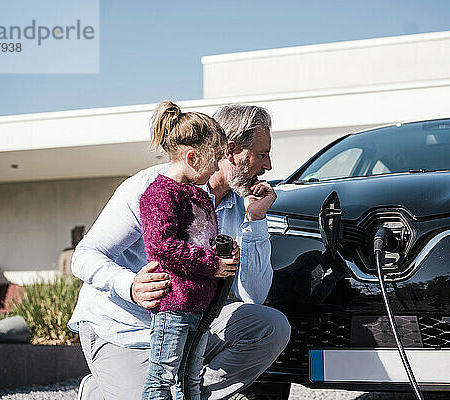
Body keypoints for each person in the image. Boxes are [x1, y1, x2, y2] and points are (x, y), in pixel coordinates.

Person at [69, 104, 291, 400]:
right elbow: (84, 255)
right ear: (231, 150)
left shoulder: (241, 206)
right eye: (262, 154)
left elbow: (252, 296)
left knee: (269, 326)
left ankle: (185, 390)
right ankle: (99, 390)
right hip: (123, 328)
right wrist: (130, 286)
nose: (268, 166)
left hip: (188, 321)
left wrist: (256, 220)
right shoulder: (151, 190)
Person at [139, 101, 238, 400]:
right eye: (213, 162)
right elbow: (162, 245)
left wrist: (223, 250)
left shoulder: (200, 196)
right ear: (192, 158)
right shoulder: (160, 194)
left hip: (201, 304)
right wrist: (212, 264)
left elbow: (200, 239)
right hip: (175, 304)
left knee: (190, 378)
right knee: (163, 378)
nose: (216, 170)